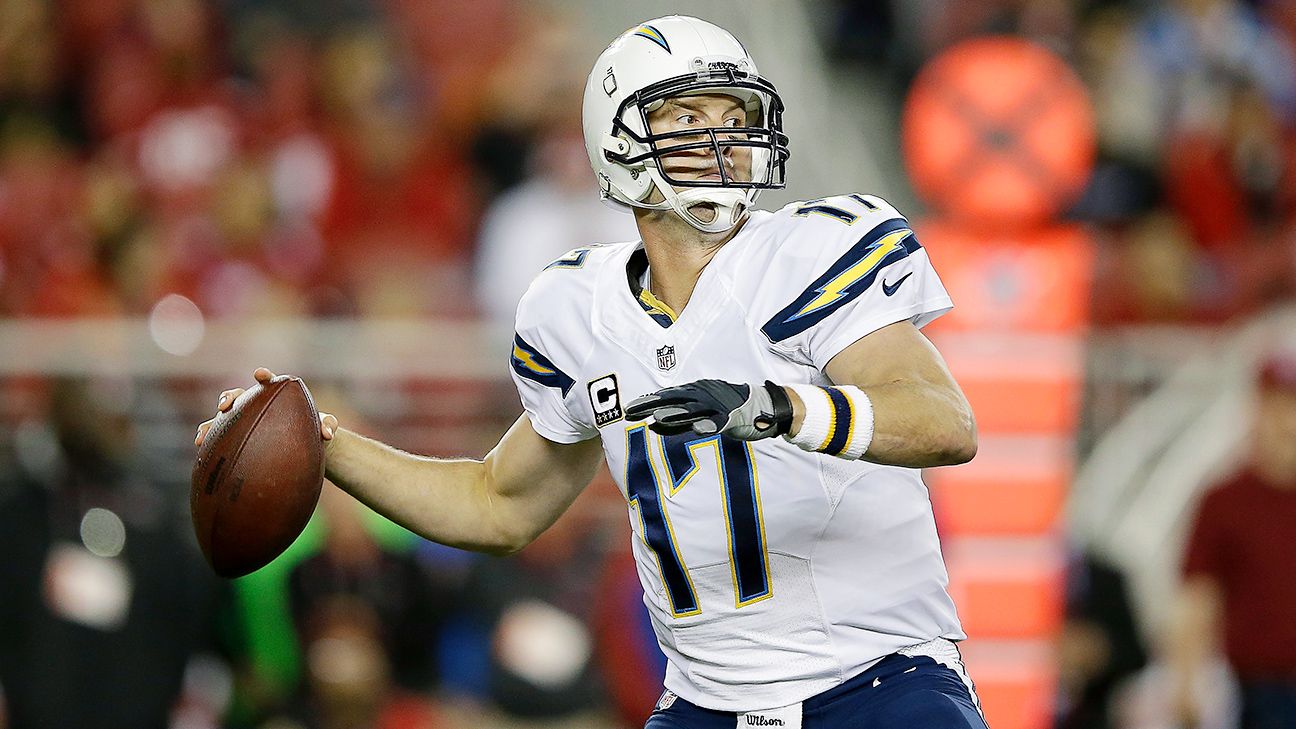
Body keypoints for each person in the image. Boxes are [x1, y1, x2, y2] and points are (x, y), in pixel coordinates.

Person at [198, 15, 984, 728]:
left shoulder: (811, 251)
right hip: (706, 705)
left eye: (734, 118)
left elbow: (942, 419)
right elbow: (497, 505)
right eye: (688, 119)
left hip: (882, 682)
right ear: (620, 143)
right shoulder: (577, 308)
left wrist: (778, 408)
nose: (722, 139)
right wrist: (323, 444)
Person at [1169, 348, 1296, 729]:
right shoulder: (1224, 502)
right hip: (1262, 691)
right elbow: (1198, 598)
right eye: (1277, 406)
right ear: (1257, 411)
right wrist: (1187, 681)